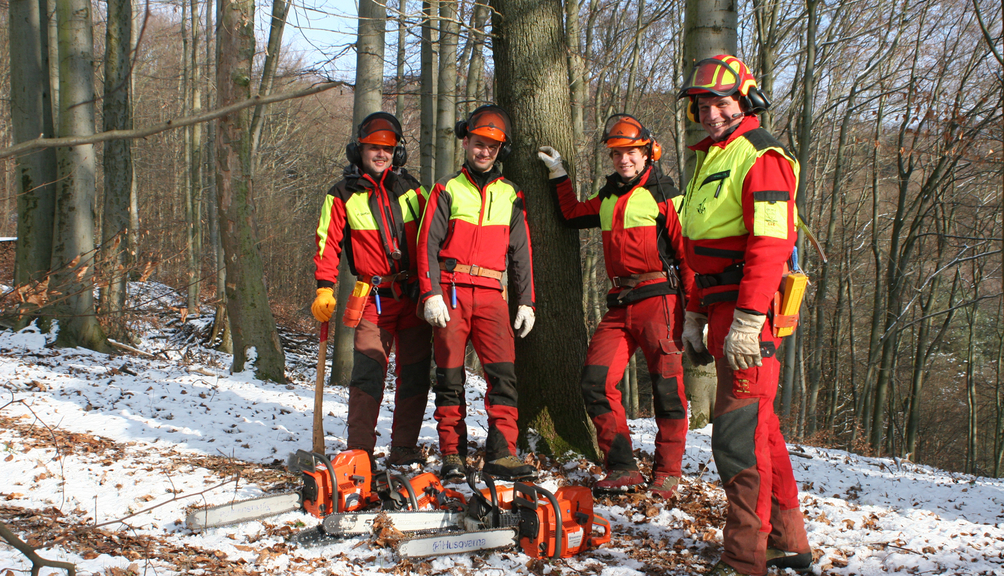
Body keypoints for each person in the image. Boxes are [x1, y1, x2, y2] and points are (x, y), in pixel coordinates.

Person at [676, 55, 813, 575]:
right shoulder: (712, 157)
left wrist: (750, 319)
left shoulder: (763, 155)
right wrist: (693, 313)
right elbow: (698, 245)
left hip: (749, 308)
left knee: (736, 436)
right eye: (702, 104)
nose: (710, 113)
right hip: (718, 303)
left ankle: (744, 560)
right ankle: (789, 543)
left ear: (747, 99)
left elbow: (770, 243)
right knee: (763, 434)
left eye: (721, 102)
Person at [537, 115, 695, 498]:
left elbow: (688, 256)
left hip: (661, 300)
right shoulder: (609, 198)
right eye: (617, 154)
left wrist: (695, 314)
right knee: (595, 380)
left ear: (648, 152)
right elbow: (573, 214)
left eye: (632, 152)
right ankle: (622, 467)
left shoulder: (666, 195)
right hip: (619, 302)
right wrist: (558, 174)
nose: (624, 160)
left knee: (668, 389)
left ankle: (668, 472)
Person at [417, 104, 537, 482]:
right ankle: (452, 453)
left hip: (491, 293)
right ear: (466, 141)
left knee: (503, 376)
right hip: (450, 293)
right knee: (449, 377)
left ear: (501, 150)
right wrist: (430, 293)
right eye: (478, 143)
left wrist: (527, 301)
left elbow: (521, 253)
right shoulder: (447, 189)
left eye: (492, 146)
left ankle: (502, 453)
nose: (484, 151)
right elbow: (426, 245)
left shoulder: (511, 195)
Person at [311, 112, 432, 468]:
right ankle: (360, 450)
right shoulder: (341, 194)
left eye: (388, 149)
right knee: (367, 373)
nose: (381, 154)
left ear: (398, 153)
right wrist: (324, 288)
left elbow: (434, 236)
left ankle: (404, 447)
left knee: (414, 374)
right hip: (373, 298)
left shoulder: (413, 191)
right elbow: (326, 244)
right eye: (373, 148)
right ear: (358, 150)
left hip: (413, 297)